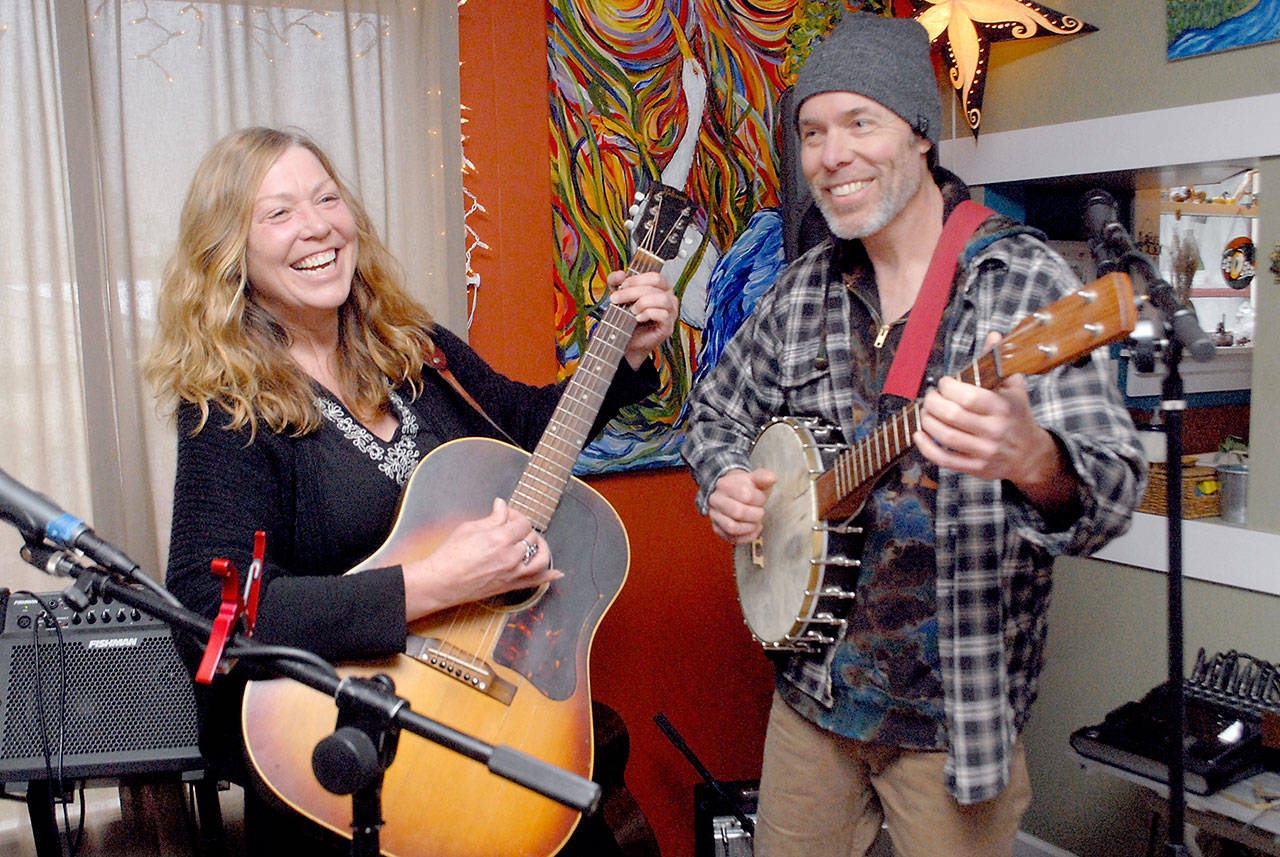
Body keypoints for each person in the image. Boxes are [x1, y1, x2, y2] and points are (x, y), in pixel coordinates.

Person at [681, 13, 1145, 857]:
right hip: (813, 700)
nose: (832, 154)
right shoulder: (802, 289)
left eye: (860, 123)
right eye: (813, 132)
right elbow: (712, 412)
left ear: (921, 133)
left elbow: (1112, 493)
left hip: (953, 723)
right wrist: (724, 479)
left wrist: (1034, 458)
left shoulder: (1020, 281)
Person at [145, 126, 676, 856]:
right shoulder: (227, 404)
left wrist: (626, 352)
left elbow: (526, 428)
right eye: (278, 213)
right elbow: (209, 607)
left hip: (488, 711)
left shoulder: (414, 347)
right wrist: (433, 582)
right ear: (230, 252)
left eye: (326, 198)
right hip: (353, 746)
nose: (316, 226)